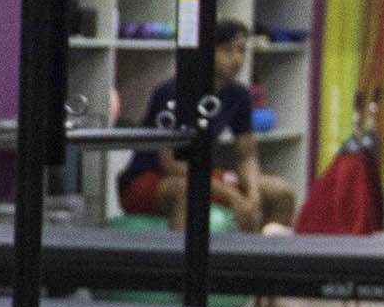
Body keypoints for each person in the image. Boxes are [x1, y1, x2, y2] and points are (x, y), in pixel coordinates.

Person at [117, 21, 296, 235]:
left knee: (281, 192)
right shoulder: (173, 92)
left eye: (241, 51)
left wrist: (253, 196)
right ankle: (179, 264)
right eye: (227, 50)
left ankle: (263, 263)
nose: (236, 58)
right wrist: (233, 196)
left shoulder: (238, 95)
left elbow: (247, 155)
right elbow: (173, 164)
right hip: (149, 179)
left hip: (200, 174)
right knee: (188, 190)